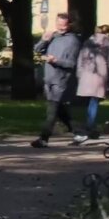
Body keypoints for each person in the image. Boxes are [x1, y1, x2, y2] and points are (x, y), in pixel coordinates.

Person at [32, 12, 82, 147]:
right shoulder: (53, 36)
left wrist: (55, 61)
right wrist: (44, 40)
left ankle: (43, 139)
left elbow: (71, 63)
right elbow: (37, 50)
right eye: (58, 24)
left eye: (63, 25)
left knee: (52, 111)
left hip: (60, 80)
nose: (60, 27)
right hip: (48, 78)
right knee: (60, 109)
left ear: (69, 25)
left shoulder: (72, 41)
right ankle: (79, 133)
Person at [75, 25, 109, 143]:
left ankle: (87, 125)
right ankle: (90, 125)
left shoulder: (87, 44)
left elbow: (80, 61)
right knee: (94, 102)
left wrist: (79, 75)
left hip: (85, 76)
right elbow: (108, 62)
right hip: (98, 76)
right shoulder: (106, 44)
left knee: (88, 102)